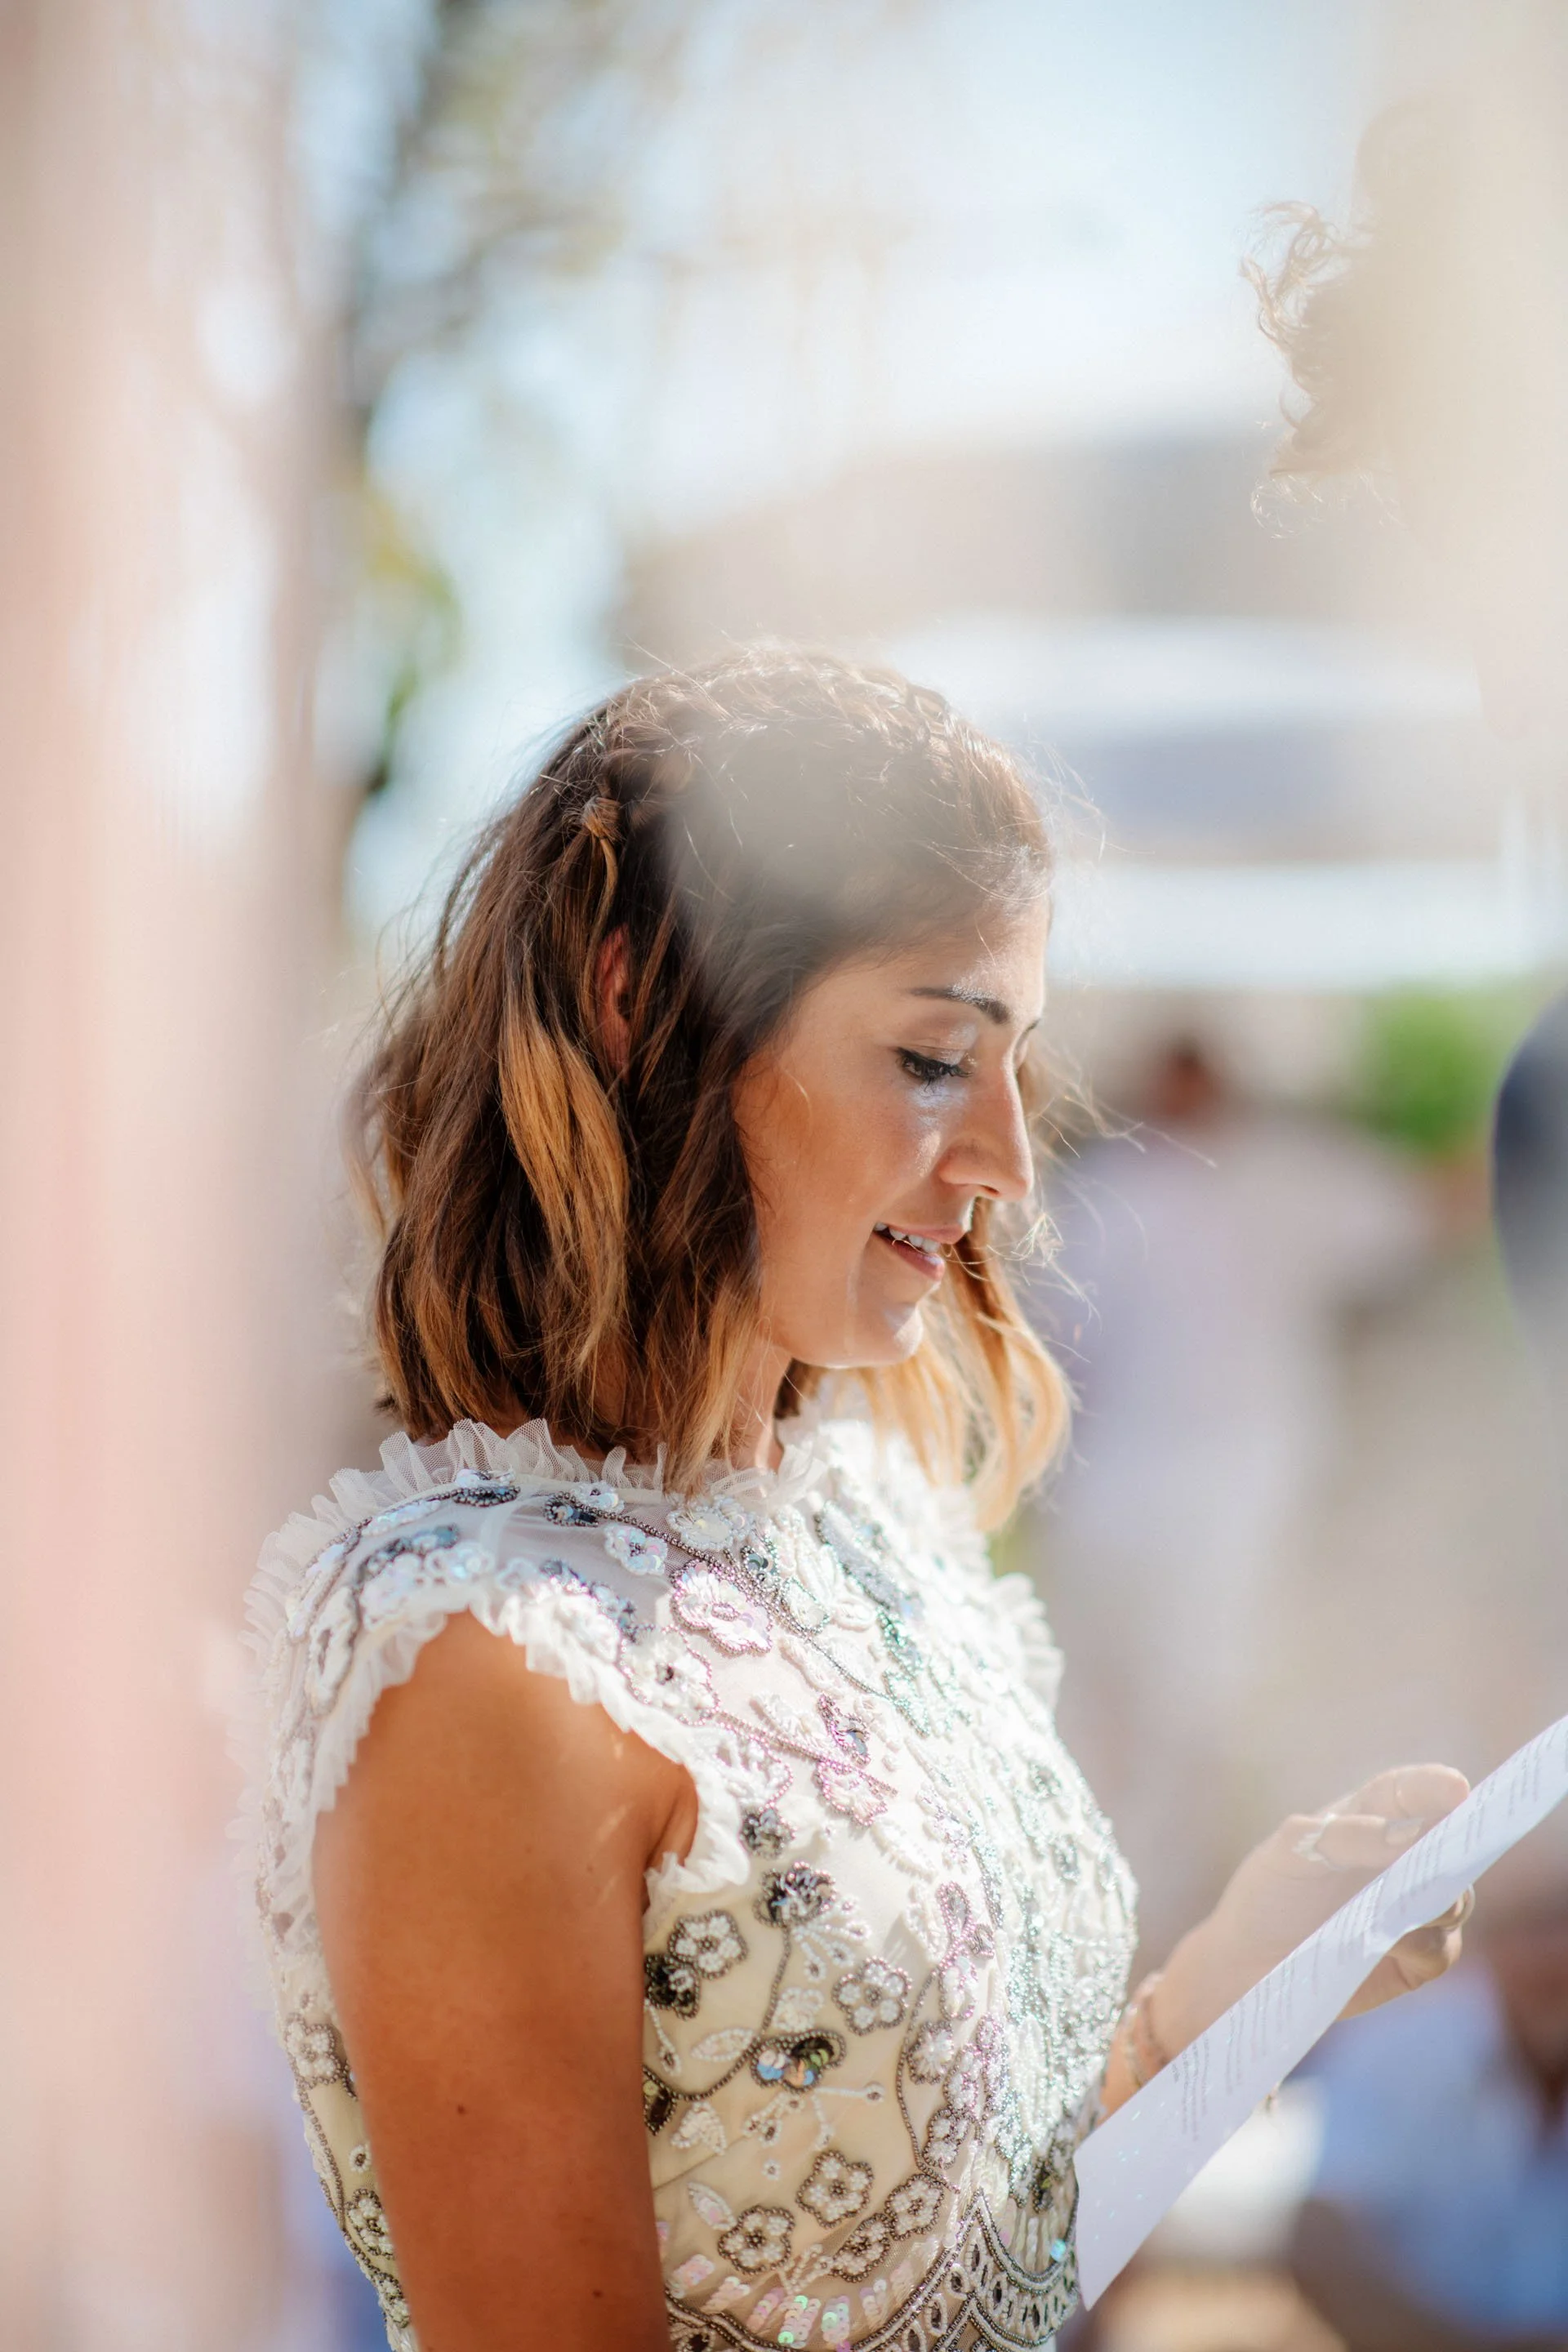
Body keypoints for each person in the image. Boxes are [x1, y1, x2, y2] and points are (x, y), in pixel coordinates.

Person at [244, 648, 1472, 2351]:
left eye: (1013, 1064)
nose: (1006, 1163)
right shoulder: (479, 1649)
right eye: (926, 1057)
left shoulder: (879, 1530)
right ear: (637, 1002)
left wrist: (1227, 1986)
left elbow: (972, 2252)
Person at [1036, 1039, 1432, 1956]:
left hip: (1227, 1502)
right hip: (1128, 1498)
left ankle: (1172, 1930)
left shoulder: (1284, 1176)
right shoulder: (1108, 1187)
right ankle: (1124, 1928)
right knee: (1123, 1718)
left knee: (1202, 1721)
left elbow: (1418, 1213)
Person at [1290, 1887, 1568, 2352]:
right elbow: (1322, 2240)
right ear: (1487, 1940)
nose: (1556, 1950)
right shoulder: (1394, 2046)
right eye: (1537, 1924)